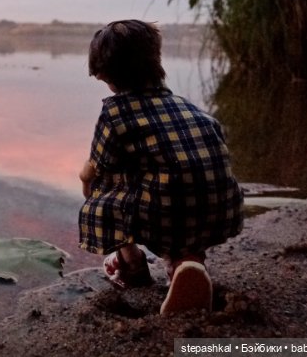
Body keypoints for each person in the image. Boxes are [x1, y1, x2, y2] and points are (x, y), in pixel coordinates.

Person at [77, 19, 243, 315]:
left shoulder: (115, 111)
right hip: (220, 210)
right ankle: (187, 265)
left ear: (103, 74)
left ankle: (132, 265)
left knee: (101, 191)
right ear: (156, 61)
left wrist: (86, 180)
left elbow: (98, 165)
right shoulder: (188, 107)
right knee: (182, 188)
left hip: (167, 215)